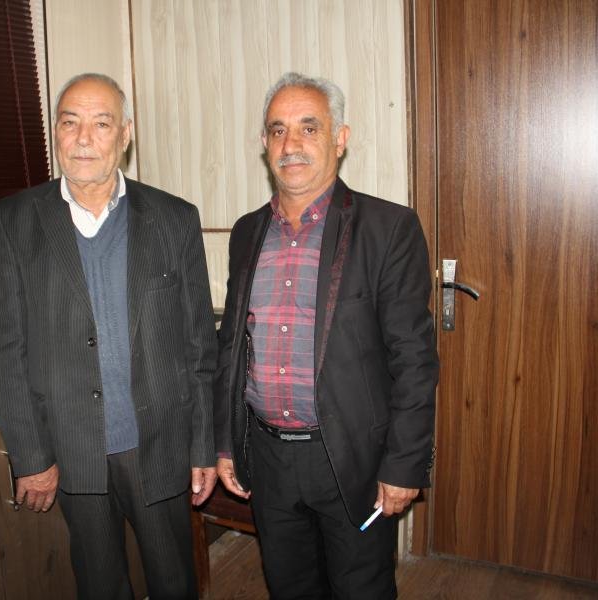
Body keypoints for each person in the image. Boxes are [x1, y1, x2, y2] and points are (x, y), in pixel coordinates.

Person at [0, 73, 217, 600]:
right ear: (55, 132)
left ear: (125, 134)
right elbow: (7, 350)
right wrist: (30, 457)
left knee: (174, 583)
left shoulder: (174, 218)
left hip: (158, 445)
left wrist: (203, 445)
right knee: (99, 586)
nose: (84, 138)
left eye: (101, 123)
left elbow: (200, 347)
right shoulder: (14, 220)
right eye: (70, 123)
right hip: (73, 450)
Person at [213, 72, 438, 599]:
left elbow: (413, 359)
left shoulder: (388, 229)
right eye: (277, 130)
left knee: (362, 588)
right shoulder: (247, 232)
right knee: (289, 587)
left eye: (309, 128)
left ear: (340, 138)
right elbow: (231, 350)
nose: (290, 144)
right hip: (267, 456)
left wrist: (403, 464)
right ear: (264, 144)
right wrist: (225, 443)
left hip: (351, 459)